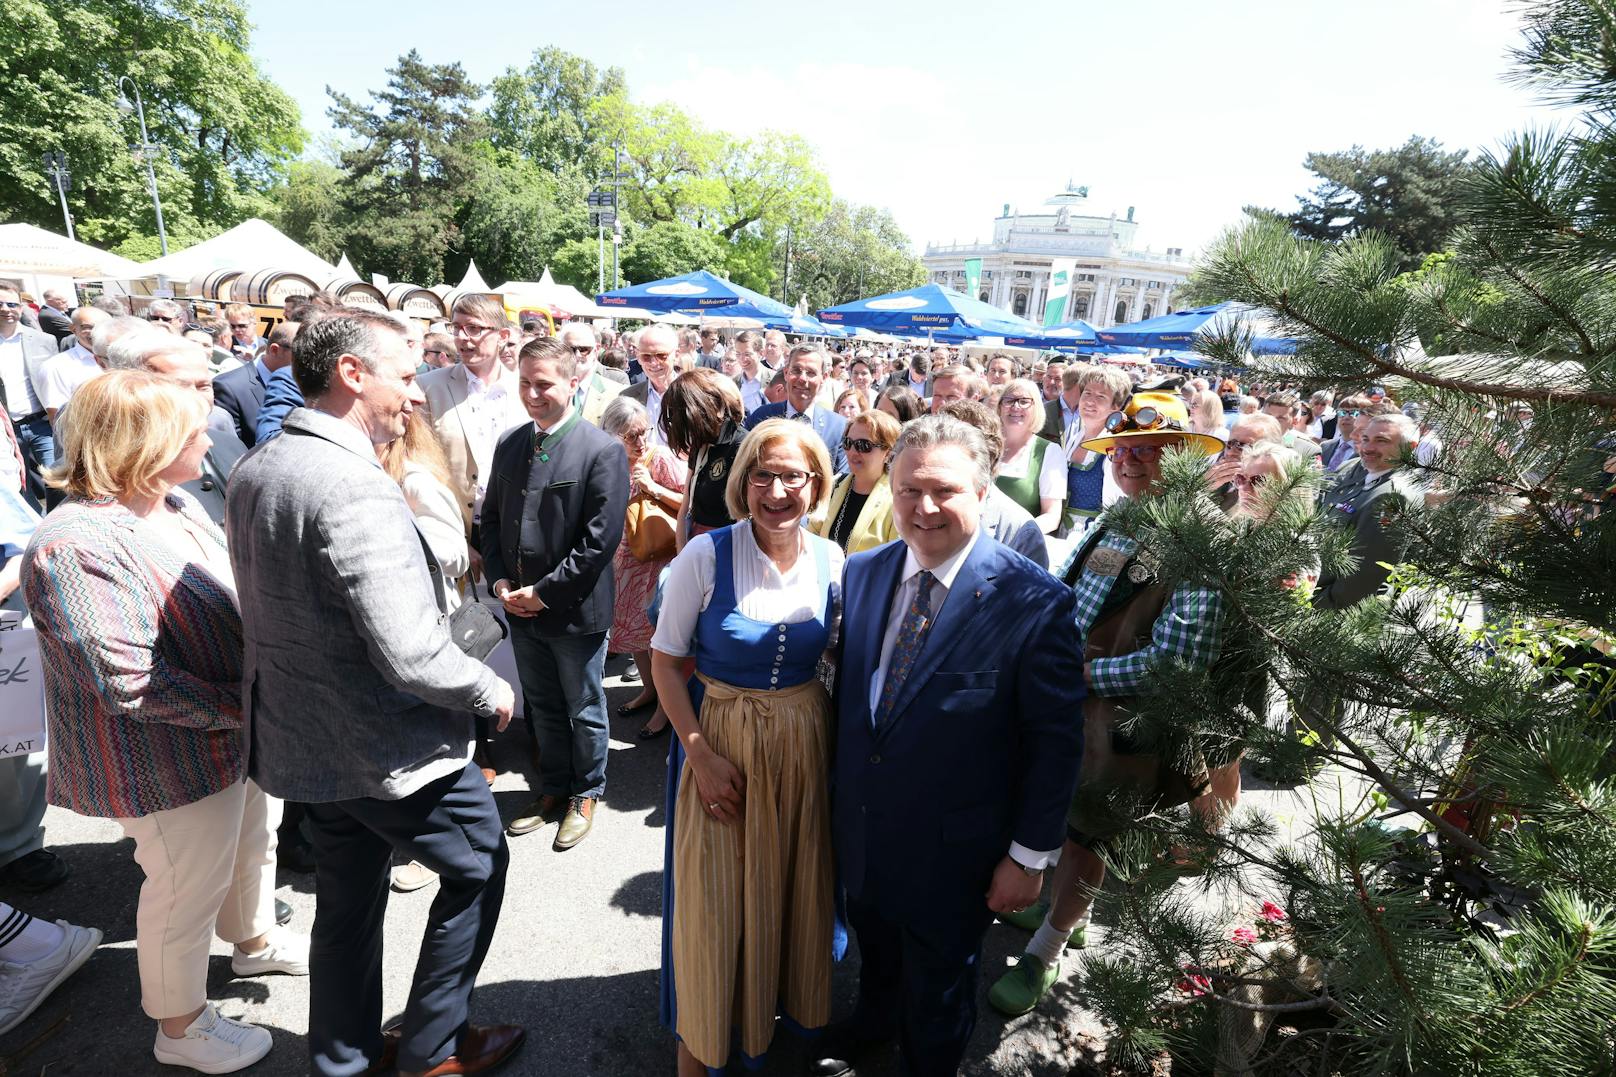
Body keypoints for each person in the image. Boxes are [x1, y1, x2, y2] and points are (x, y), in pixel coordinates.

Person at [227, 310, 522, 1077]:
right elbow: (411, 650)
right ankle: (431, 1050)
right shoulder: (353, 485)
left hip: (309, 741)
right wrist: (489, 686)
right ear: (353, 374)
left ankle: (344, 1058)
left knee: (347, 904)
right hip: (390, 746)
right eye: (405, 373)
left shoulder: (262, 463)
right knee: (479, 865)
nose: (416, 395)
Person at [23, 371, 309, 1073]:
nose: (205, 433)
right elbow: (129, 682)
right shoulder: (75, 542)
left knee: (250, 843)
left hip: (228, 737)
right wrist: (245, 709)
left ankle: (252, 942)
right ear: (139, 444)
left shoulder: (170, 502)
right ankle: (179, 1026)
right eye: (188, 427)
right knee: (184, 888)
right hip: (162, 758)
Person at [813, 415, 1085, 1077]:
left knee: (938, 992)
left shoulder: (1034, 599)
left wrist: (1028, 856)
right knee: (877, 955)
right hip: (865, 829)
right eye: (908, 490)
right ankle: (873, 1027)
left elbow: (1055, 742)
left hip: (955, 851)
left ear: (983, 491)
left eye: (944, 490)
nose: (923, 507)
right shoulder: (864, 572)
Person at [989, 388, 1224, 1019]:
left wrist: (1083, 675)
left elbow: (1177, 666)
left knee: (1091, 834)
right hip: (1075, 702)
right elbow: (1067, 591)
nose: (1129, 462)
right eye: (1123, 449)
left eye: (1150, 452)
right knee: (1063, 821)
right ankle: (1064, 906)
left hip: (1125, 725)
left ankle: (1048, 946)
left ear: (1184, 457)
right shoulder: (1120, 517)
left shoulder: (1201, 538)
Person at [650, 419, 843, 1077]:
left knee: (784, 890)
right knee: (712, 902)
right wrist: (699, 753)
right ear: (742, 483)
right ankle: (697, 1050)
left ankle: (761, 1019)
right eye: (764, 474)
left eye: (794, 476)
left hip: (801, 748)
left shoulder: (833, 560)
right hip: (721, 740)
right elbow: (665, 662)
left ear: (816, 485)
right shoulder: (705, 557)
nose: (778, 489)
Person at [482, 338, 628, 850]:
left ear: (572, 383)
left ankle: (586, 793)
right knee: (543, 706)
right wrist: (500, 582)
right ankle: (553, 790)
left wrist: (542, 593)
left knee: (584, 706)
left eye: (544, 383)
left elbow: (599, 543)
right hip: (519, 609)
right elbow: (493, 522)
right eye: (525, 382)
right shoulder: (510, 443)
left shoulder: (602, 450)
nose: (533, 393)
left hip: (574, 613)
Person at [600, 395, 688, 740]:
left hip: (655, 559)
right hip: (622, 561)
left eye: (644, 432)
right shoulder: (607, 459)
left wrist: (653, 487)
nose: (641, 442)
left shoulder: (659, 456)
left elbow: (688, 501)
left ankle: (667, 709)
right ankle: (650, 691)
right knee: (636, 634)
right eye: (631, 436)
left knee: (658, 635)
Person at [415, 294, 531, 534]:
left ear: (503, 336)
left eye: (474, 328)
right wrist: (455, 537)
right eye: (456, 328)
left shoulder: (526, 389)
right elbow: (417, 466)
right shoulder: (426, 387)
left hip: (509, 532)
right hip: (449, 530)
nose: (461, 338)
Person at [1314, 412, 1427, 609]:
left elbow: (1362, 578)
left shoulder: (1393, 497)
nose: (1368, 447)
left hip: (1333, 611)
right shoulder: (1353, 467)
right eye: (1365, 438)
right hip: (1313, 587)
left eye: (1381, 441)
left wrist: (1315, 606)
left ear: (1410, 448)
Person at [664, 368, 748, 548]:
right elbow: (685, 507)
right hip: (695, 544)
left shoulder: (742, 444)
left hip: (727, 546)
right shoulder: (701, 443)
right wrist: (682, 556)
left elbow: (744, 519)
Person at [744, 344, 849, 473]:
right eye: (796, 371)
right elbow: (744, 468)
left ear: (824, 377)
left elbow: (841, 480)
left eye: (811, 373)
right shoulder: (762, 418)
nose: (802, 378)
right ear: (786, 373)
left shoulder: (837, 427)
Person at [1057, 365, 1134, 535]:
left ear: (1116, 406)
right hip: (1062, 531)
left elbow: (1114, 507)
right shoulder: (1075, 435)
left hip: (1092, 535)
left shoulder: (1113, 447)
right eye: (1087, 393)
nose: (1090, 401)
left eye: (1101, 397)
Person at [813, 408, 901, 554]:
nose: (853, 452)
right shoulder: (834, 485)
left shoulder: (897, 499)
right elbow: (813, 533)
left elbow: (895, 560)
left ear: (888, 453)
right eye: (848, 443)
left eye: (863, 445)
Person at [0, 285, 59, 492]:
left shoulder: (44, 340)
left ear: (21, 307)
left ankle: (55, 522)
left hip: (42, 425)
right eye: (0, 304)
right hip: (6, 430)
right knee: (17, 485)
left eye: (12, 304)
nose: (6, 309)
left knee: (56, 478)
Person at [994, 378, 1066, 533]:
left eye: (1024, 401)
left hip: (1019, 547)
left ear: (1036, 408)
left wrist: (1017, 535)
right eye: (1009, 400)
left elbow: (1051, 516)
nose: (1015, 407)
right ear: (1000, 408)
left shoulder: (1049, 452)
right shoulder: (985, 445)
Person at [213, 320, 297, 449]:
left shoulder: (307, 381)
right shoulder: (228, 387)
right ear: (275, 350)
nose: (309, 360)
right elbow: (231, 450)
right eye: (302, 353)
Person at [36, 306, 107, 422]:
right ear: (73, 329)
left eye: (102, 326)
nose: (95, 332)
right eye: (88, 327)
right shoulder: (57, 366)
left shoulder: (121, 357)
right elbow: (57, 417)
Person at [621, 323, 679, 448]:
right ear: (638, 357)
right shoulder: (627, 397)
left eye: (661, 355)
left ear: (676, 354)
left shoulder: (694, 395)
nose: (653, 363)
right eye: (646, 356)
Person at [559, 322, 623, 426]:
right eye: (569, 349)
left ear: (596, 349)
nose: (577, 355)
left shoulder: (617, 393)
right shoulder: (547, 388)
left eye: (584, 350)